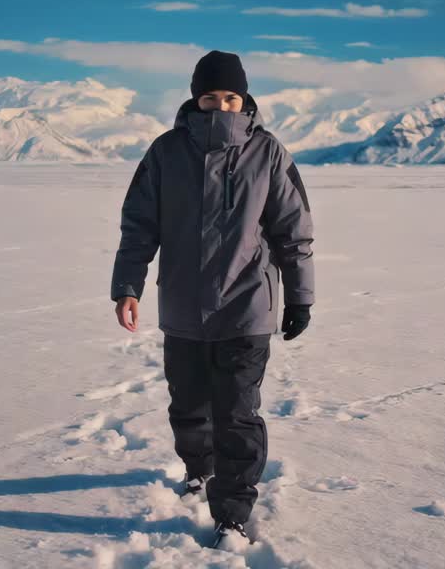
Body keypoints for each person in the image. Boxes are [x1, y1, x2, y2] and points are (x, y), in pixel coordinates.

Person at [110, 49, 315, 548]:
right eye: (210, 97)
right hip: (183, 306)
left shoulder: (267, 153)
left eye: (230, 98)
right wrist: (128, 287)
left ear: (244, 99)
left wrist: (300, 297)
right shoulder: (166, 152)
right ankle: (198, 469)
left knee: (238, 414)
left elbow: (294, 231)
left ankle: (233, 513)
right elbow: (139, 226)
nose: (221, 106)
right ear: (194, 99)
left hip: (248, 307)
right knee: (188, 407)